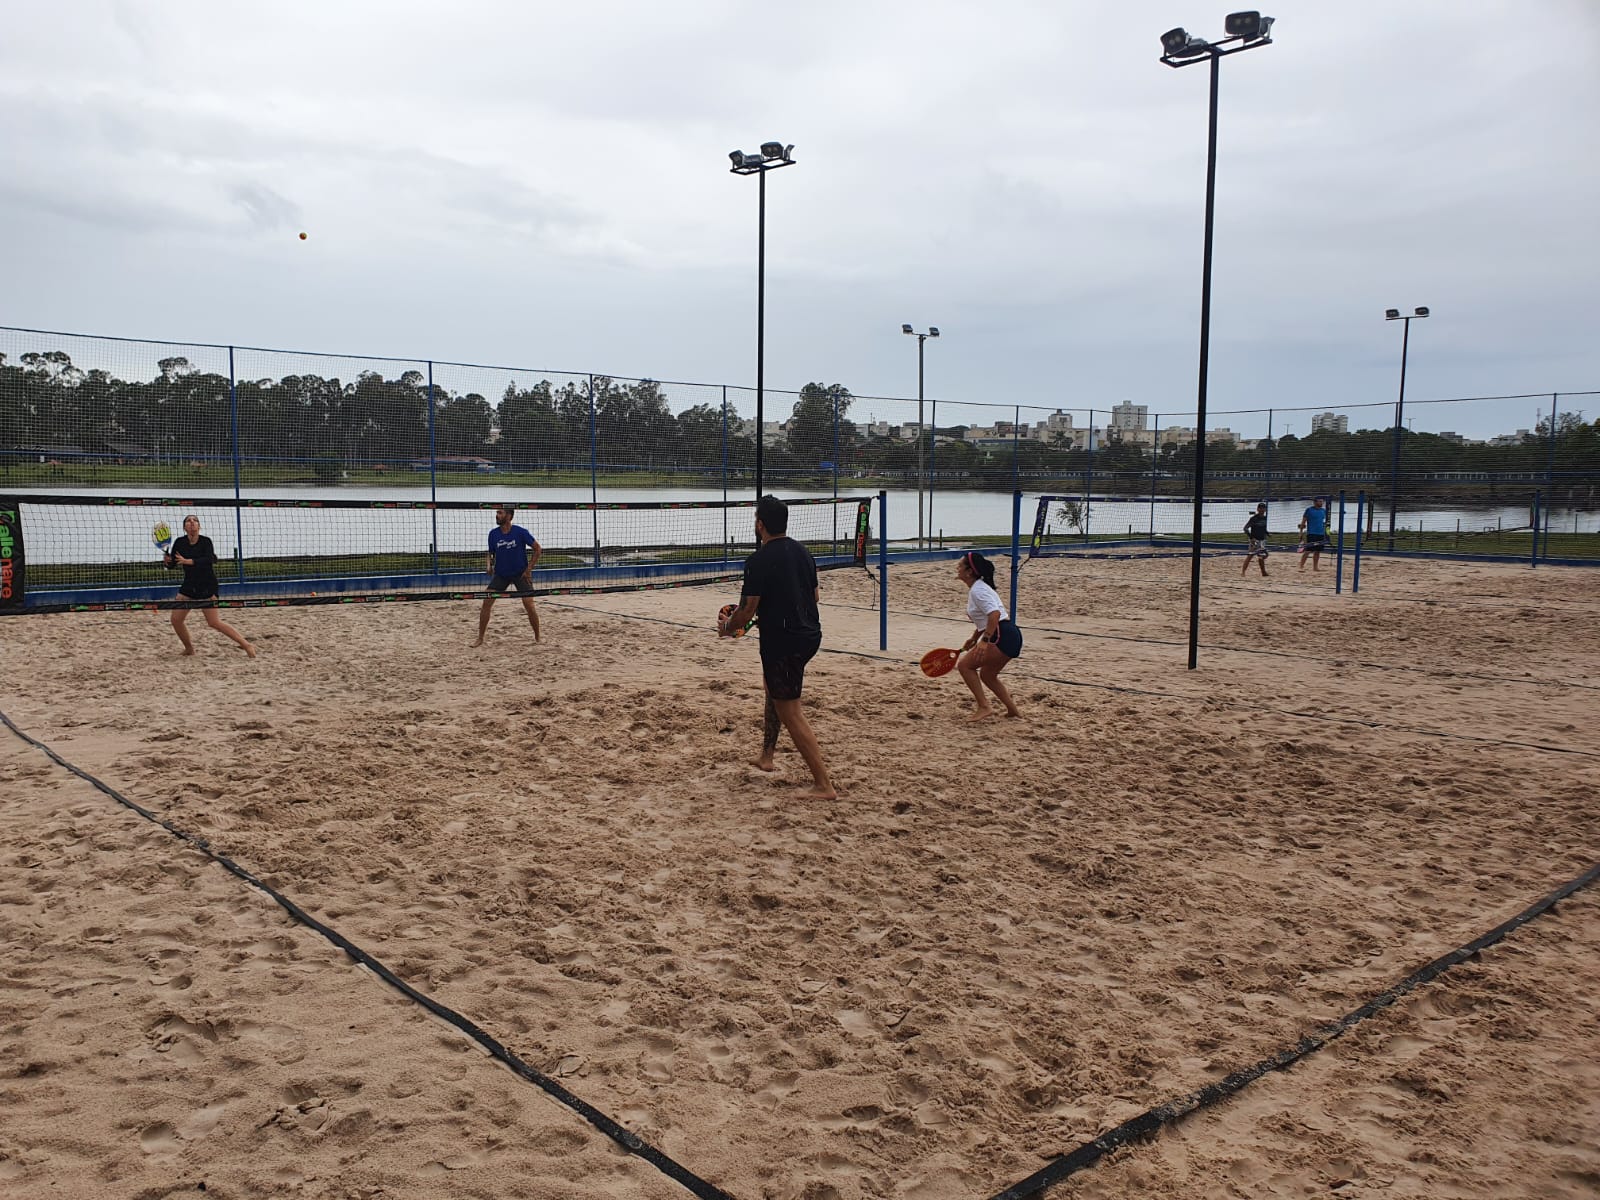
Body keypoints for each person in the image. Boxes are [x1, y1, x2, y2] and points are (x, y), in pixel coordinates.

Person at [719, 495, 836, 799]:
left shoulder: (758, 560)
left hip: (785, 641)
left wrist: (728, 628)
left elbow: (745, 612)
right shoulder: (803, 553)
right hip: (810, 634)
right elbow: (814, 597)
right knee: (774, 690)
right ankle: (767, 756)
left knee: (790, 710)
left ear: (760, 525)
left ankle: (823, 785)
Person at [163, 513, 255, 658]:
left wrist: (189, 561)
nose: (192, 523)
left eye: (195, 521)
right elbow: (173, 564)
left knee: (214, 622)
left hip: (207, 585)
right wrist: (168, 562)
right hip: (189, 586)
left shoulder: (206, 542)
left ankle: (246, 645)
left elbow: (208, 560)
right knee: (176, 620)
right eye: (188, 521)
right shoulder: (180, 542)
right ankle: (189, 649)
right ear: (184, 527)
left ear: (199, 526)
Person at [954, 550, 1022, 720]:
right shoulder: (978, 589)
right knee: (987, 675)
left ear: (969, 571)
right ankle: (1013, 711)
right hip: (1009, 635)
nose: (957, 567)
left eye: (960, 565)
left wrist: (984, 641)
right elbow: (986, 619)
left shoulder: (979, 590)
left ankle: (984, 707)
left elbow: (994, 615)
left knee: (965, 667)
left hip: (1002, 635)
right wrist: (974, 638)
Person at [473, 504, 542, 646]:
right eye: (497, 512)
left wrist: (529, 569)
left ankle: (538, 637)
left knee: (529, 605)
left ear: (509, 516)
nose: (497, 515)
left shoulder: (520, 532)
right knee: (486, 602)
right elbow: (491, 553)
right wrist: (489, 564)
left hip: (520, 574)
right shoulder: (493, 534)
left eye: (500, 513)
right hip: (502, 574)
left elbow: (538, 549)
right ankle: (480, 638)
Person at [1299, 496, 1330, 572]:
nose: (1321, 503)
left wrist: (1327, 533)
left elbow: (1326, 523)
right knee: (1308, 550)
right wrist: (1300, 532)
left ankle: (1315, 567)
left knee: (1318, 551)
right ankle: (1301, 566)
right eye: (1319, 501)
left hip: (1321, 533)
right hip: (1312, 533)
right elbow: (1303, 522)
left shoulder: (1323, 511)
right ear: (1315, 502)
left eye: (1322, 501)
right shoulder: (1309, 510)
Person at [1242, 503, 1270, 577]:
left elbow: (1263, 528)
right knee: (1250, 556)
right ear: (1257, 509)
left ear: (1265, 509)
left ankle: (1263, 572)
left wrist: (1267, 533)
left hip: (1262, 540)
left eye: (1263, 508)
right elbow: (1245, 528)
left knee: (1262, 557)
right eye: (1260, 508)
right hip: (1254, 541)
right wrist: (1251, 538)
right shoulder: (1254, 518)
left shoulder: (1265, 518)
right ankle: (1243, 572)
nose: (1262, 510)